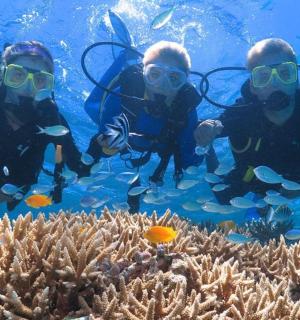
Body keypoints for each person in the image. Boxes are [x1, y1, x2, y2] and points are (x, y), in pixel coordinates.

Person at [85, 40, 218, 213]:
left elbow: (188, 163)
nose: (162, 85)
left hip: (161, 142)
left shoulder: (186, 111)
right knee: (91, 106)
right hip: (127, 131)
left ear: (185, 82)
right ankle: (125, 55)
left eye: (174, 78)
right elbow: (104, 142)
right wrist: (108, 146)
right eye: (154, 74)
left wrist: (204, 142)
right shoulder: (122, 95)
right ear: (143, 73)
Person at [194, 38, 300, 217]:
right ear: (253, 87)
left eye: (285, 73)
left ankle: (266, 206)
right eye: (263, 76)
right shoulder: (242, 113)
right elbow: (214, 125)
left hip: (295, 176)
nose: (275, 83)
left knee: (286, 197)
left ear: (296, 78)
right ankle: (260, 201)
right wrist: (207, 131)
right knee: (224, 198)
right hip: (250, 174)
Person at [0, 41, 91, 210]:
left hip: (16, 186)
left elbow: (79, 169)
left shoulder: (51, 119)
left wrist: (97, 147)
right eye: (18, 75)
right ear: (4, 75)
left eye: (40, 79)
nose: (27, 87)